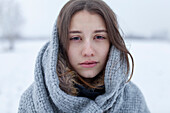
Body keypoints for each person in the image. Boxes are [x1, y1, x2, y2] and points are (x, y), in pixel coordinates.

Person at [18, 0, 150, 112]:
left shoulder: (133, 99)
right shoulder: (32, 102)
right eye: (75, 38)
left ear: (112, 42)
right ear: (60, 44)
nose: (88, 51)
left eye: (99, 37)